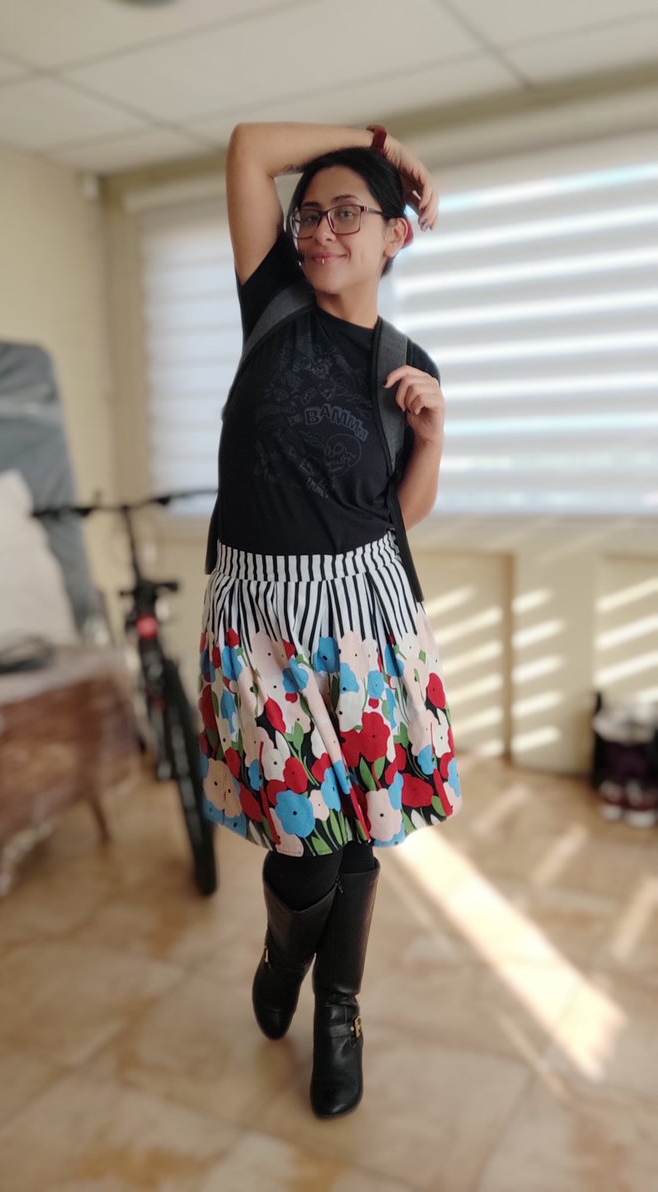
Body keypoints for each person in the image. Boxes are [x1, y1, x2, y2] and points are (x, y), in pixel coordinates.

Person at [197, 121, 462, 1118]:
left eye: (348, 213)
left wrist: (432, 434)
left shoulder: (405, 360)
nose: (319, 231)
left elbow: (401, 513)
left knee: (358, 840)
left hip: (366, 618)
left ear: (396, 235)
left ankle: (338, 1014)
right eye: (309, 214)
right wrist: (379, 142)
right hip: (261, 619)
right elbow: (246, 147)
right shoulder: (272, 304)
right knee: (303, 838)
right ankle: (283, 956)